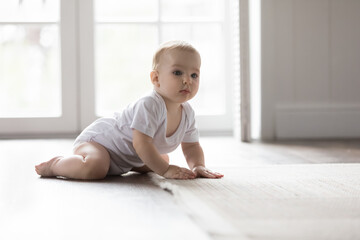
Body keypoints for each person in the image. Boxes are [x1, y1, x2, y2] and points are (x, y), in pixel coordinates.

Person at [35, 40, 224, 180]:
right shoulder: (150, 104)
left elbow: (191, 146)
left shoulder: (187, 112)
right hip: (100, 144)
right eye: (177, 73)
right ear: (156, 78)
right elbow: (141, 143)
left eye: (194, 74)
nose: (187, 80)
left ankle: (130, 165)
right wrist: (164, 171)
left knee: (161, 159)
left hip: (126, 156)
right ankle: (56, 165)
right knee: (95, 168)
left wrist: (198, 165)